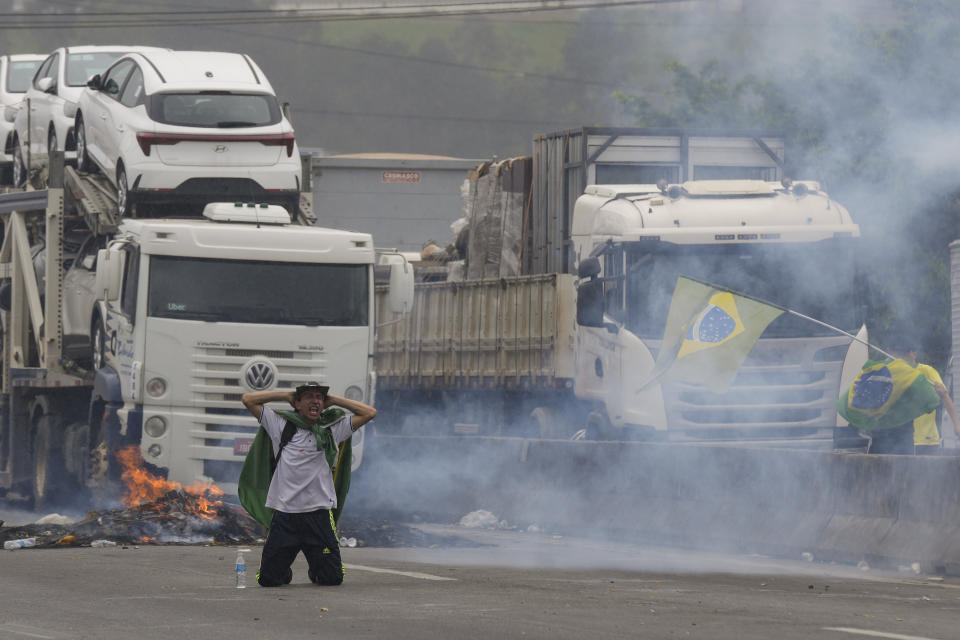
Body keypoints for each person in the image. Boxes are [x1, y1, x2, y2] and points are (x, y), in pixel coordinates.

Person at [240, 382, 376, 587]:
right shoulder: (282, 426)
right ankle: (283, 571)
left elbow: (369, 412)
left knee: (332, 579)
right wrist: (285, 395)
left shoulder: (332, 429)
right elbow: (248, 400)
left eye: (319, 398)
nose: (315, 401)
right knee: (268, 580)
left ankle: (317, 569)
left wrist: (334, 400)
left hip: (319, 514)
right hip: (286, 515)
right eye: (309, 397)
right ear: (297, 404)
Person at [893, 344, 960, 455]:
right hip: (903, 439)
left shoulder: (926, 371)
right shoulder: (898, 373)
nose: (903, 360)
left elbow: (945, 396)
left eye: (905, 355)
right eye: (900, 356)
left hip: (927, 440)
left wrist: (956, 425)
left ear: (914, 354)